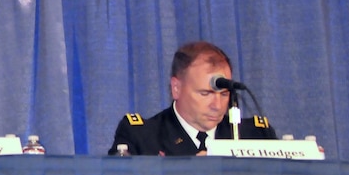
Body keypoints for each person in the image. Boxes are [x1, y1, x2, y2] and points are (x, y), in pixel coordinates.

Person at [108, 41, 276, 156]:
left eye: (224, 94)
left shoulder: (256, 135)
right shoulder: (142, 137)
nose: (217, 106)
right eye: (205, 94)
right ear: (176, 88)